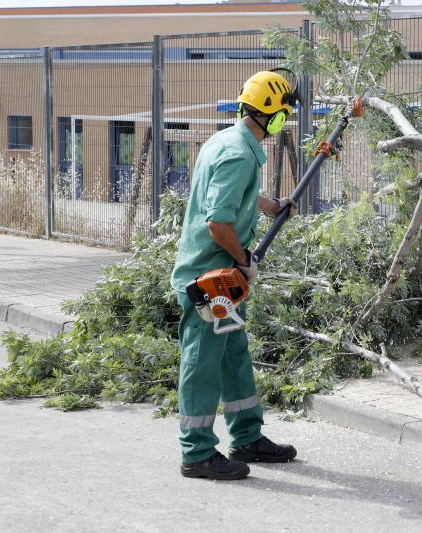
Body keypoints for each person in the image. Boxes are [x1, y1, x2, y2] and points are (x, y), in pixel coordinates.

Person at [170, 70, 299, 480]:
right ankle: (197, 454)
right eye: (282, 114)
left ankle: (247, 437)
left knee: (233, 358)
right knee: (202, 363)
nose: (283, 121)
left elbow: (233, 194)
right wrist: (244, 257)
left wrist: (271, 206)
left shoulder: (229, 141)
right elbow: (218, 222)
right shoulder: (239, 153)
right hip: (207, 281)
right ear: (267, 115)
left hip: (222, 276)